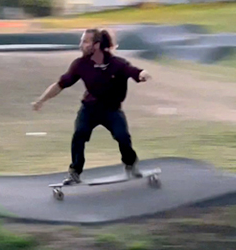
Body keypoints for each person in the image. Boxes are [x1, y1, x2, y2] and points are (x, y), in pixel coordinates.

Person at [32, 28, 151, 185]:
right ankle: (74, 172)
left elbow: (135, 72)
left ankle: (130, 163)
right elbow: (60, 84)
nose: (81, 45)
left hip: (112, 110)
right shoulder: (80, 65)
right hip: (90, 109)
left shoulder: (117, 64)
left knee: (122, 137)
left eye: (85, 41)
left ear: (96, 45)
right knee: (79, 135)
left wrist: (143, 74)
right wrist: (41, 100)